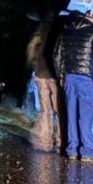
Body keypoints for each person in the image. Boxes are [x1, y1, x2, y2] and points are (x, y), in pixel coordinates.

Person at [54, 8, 93, 161]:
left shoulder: (66, 30)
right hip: (87, 79)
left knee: (71, 114)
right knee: (86, 115)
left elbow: (57, 55)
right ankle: (88, 150)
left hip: (69, 78)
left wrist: (61, 76)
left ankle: (72, 150)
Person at [26, 11, 61, 152]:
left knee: (45, 110)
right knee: (59, 110)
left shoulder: (42, 30)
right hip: (55, 74)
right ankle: (60, 142)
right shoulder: (61, 31)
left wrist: (32, 64)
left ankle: (43, 142)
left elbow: (31, 47)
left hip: (41, 72)